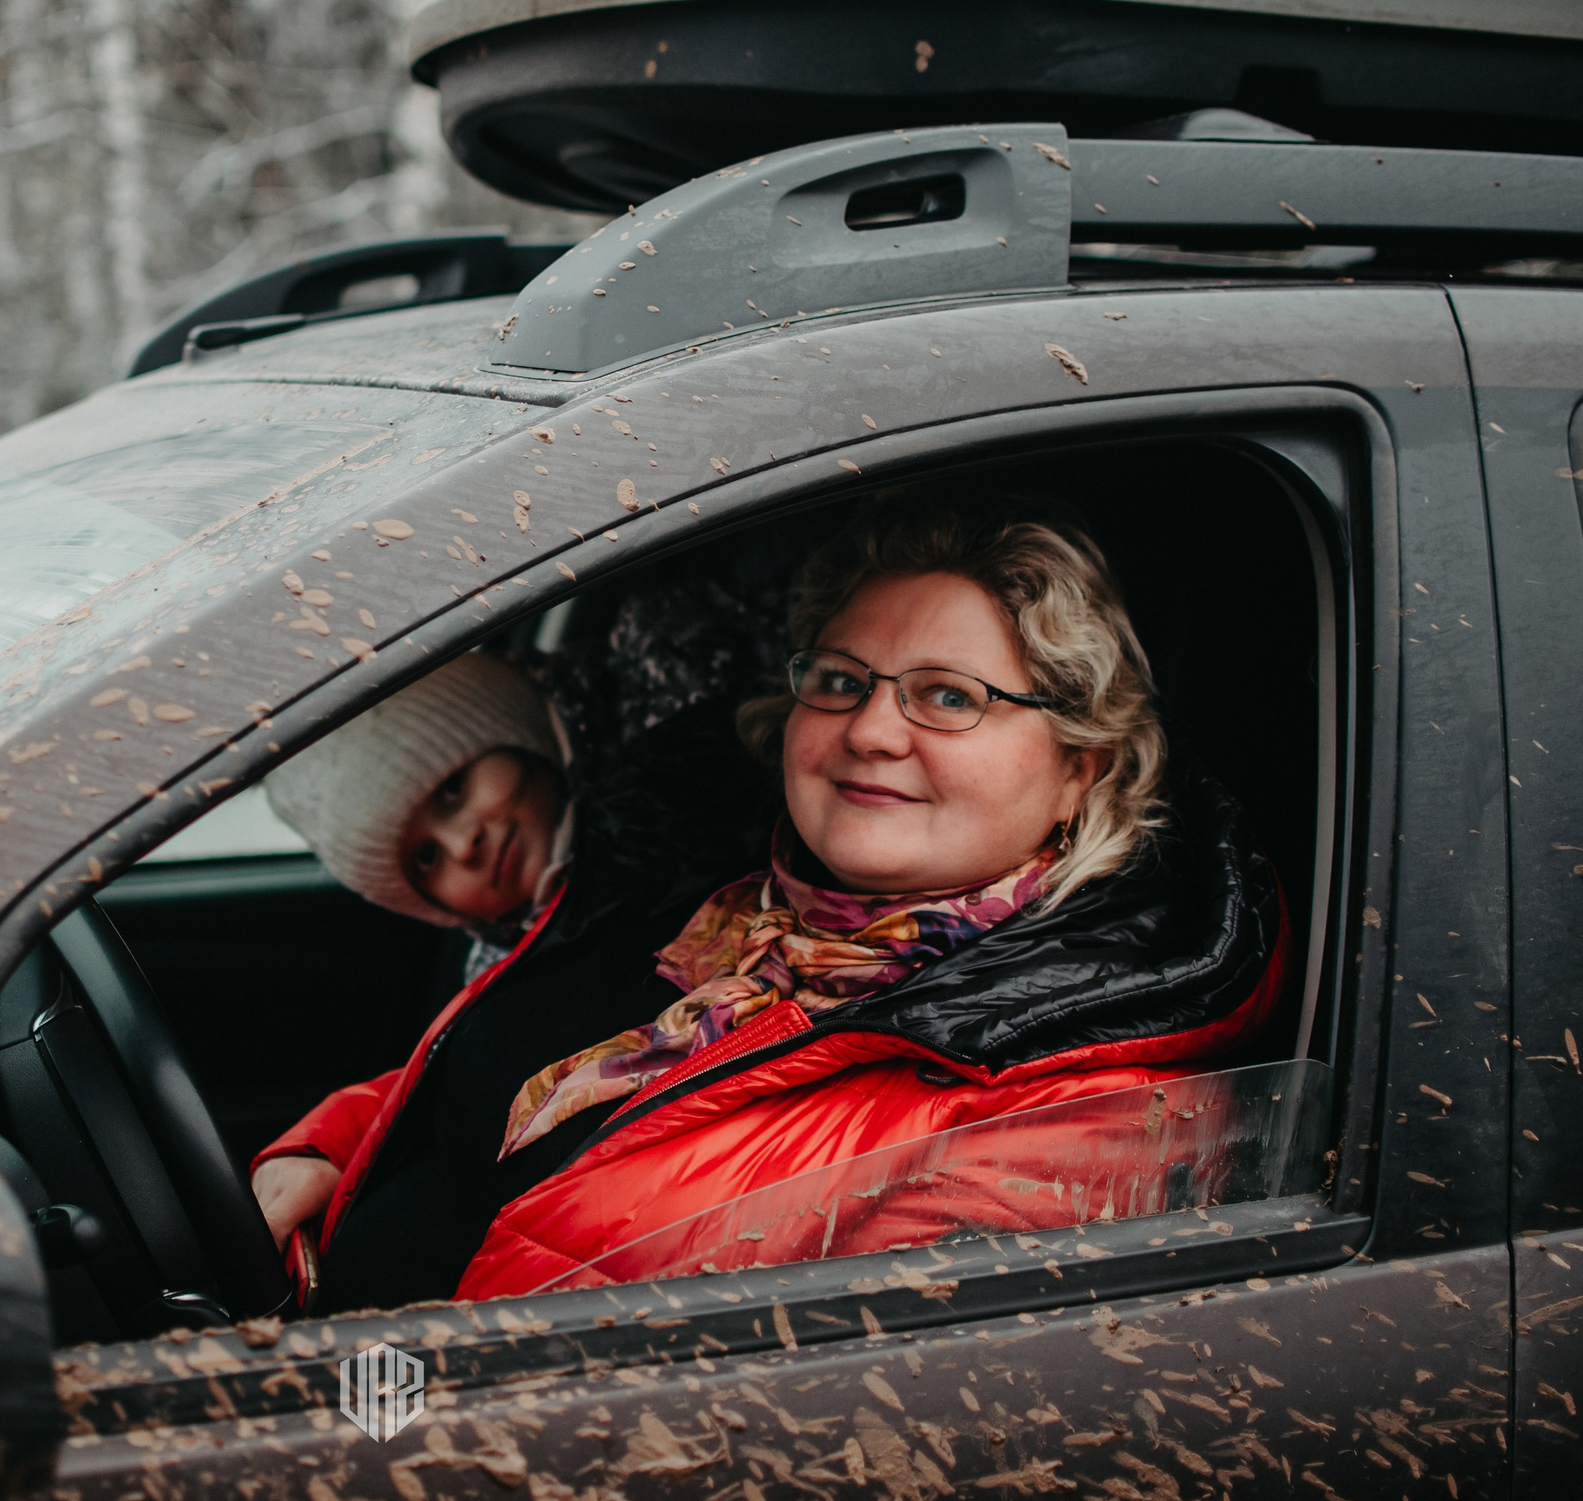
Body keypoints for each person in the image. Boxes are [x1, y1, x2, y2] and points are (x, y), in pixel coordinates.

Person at [258, 488, 1293, 1307]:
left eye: (948, 695)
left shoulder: (1070, 1096)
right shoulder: (703, 894)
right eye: (841, 679)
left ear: (1081, 765)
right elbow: (530, 1089)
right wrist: (332, 1149)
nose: (871, 730)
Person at [253, 651, 772, 1309]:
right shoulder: (511, 948)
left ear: (517, 726)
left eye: (452, 790)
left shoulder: (668, 864)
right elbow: (475, 1070)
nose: (464, 843)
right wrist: (335, 1143)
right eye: (426, 857)